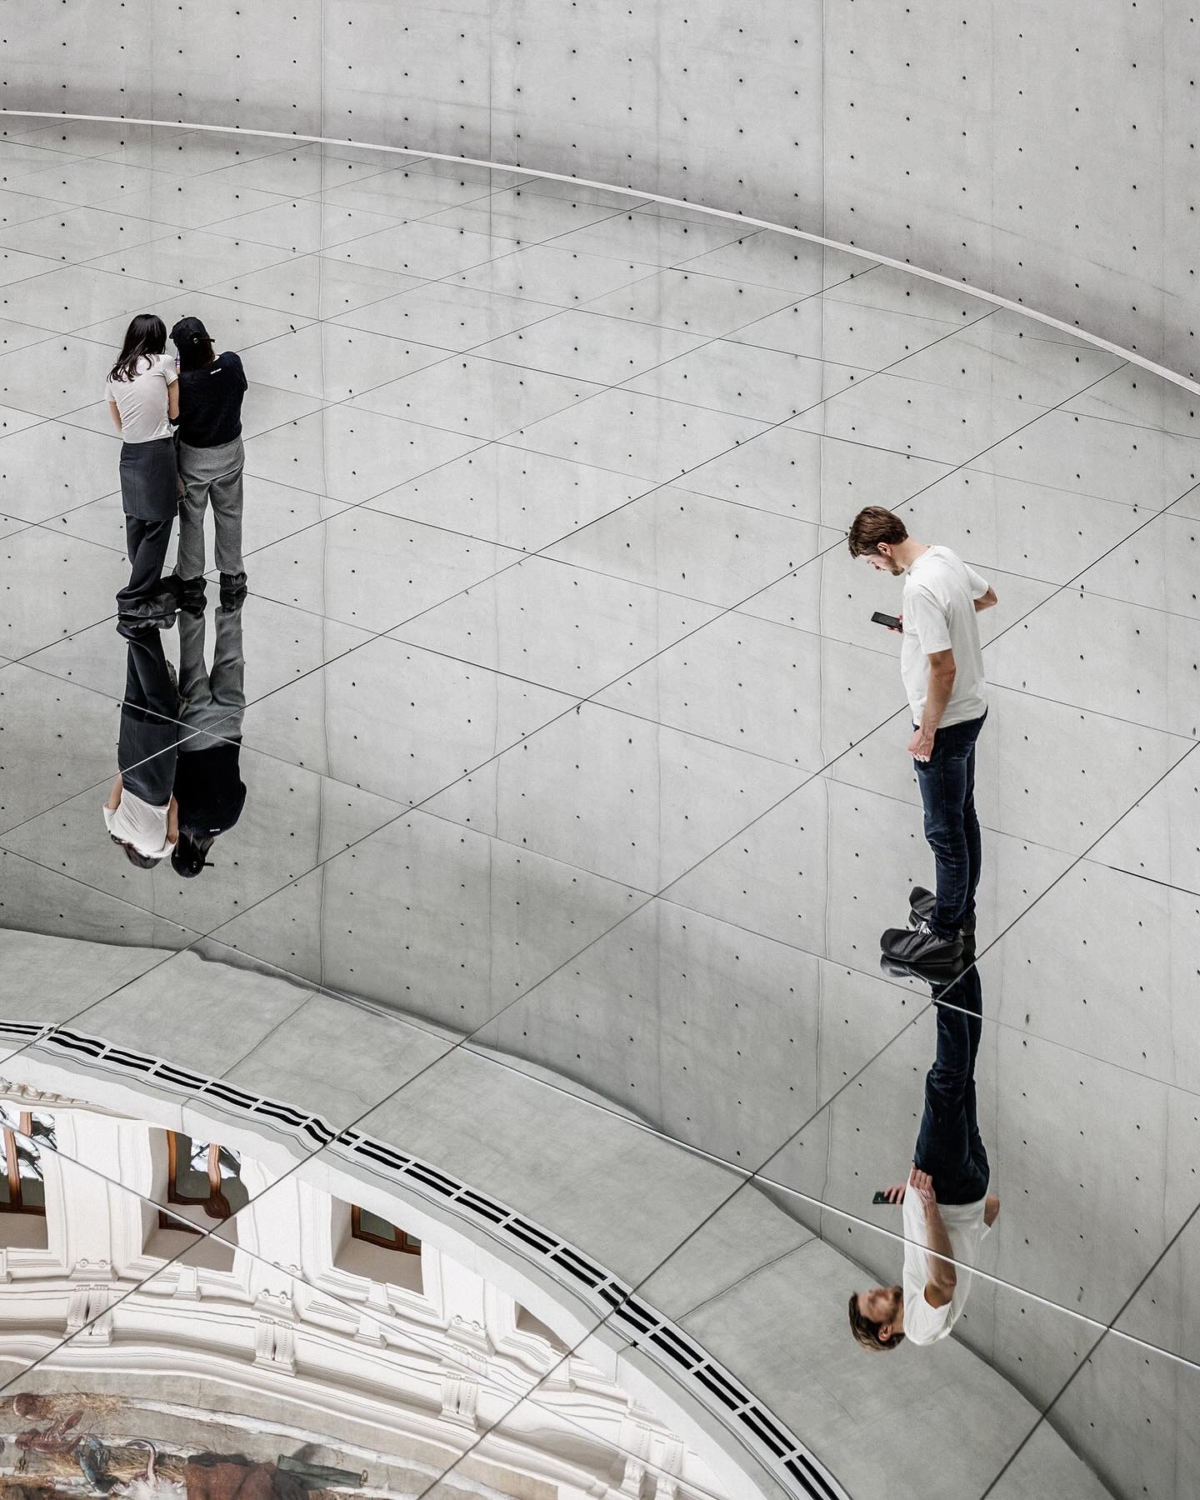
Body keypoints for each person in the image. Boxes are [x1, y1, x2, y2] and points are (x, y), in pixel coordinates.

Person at [848, 506, 998, 964]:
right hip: (972, 710)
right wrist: (920, 626)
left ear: (884, 548)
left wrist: (926, 732)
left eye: (874, 564)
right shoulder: (944, 557)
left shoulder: (917, 587)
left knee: (943, 831)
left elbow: (943, 668)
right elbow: (988, 597)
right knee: (961, 815)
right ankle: (959, 910)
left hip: (946, 723)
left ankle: (944, 932)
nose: (878, 571)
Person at [847, 957, 1000, 1351]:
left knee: (960, 1077)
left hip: (965, 1185)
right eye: (873, 1300)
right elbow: (944, 1283)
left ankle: (960, 958)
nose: (879, 1290)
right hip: (944, 1185)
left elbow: (991, 1209)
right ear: (884, 1330)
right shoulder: (917, 1328)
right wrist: (928, 1206)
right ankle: (942, 975)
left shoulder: (911, 1282)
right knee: (945, 1083)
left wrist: (918, 1206)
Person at [169, 315, 248, 608]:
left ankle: (190, 582)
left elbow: (174, 418)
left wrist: (179, 377)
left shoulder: (185, 383)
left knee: (193, 517)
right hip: (230, 452)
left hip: (195, 458)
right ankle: (232, 579)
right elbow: (239, 386)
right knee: (230, 514)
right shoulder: (231, 363)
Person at [106, 314, 180, 626]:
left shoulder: (114, 374)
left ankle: (144, 588)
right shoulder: (164, 363)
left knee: (136, 521)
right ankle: (134, 597)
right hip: (157, 452)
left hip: (130, 453)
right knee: (159, 524)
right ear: (159, 337)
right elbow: (175, 413)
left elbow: (119, 423)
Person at [171, 594, 247, 879]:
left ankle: (231, 603)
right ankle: (190, 600)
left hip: (230, 728)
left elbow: (240, 787)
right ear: (179, 849)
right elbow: (173, 772)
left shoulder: (230, 820)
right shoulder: (184, 818)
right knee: (191, 659)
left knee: (231, 658)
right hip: (194, 731)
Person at [103, 631, 180, 868]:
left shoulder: (161, 851)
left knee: (162, 709)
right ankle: (132, 627)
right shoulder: (114, 829)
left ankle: (146, 629)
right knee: (133, 697)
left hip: (156, 789)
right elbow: (115, 795)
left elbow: (174, 807)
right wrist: (126, 771)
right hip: (128, 767)